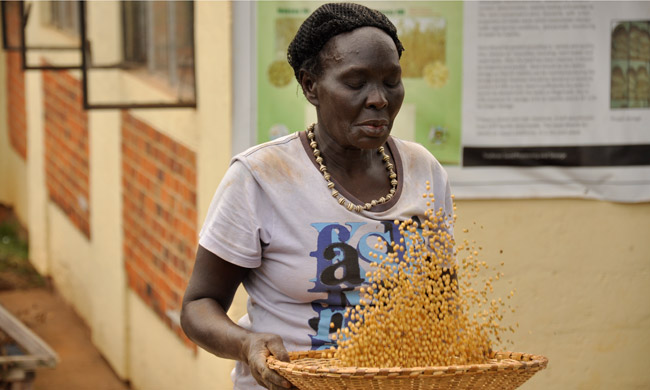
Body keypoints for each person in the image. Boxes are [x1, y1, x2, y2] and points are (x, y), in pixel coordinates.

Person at [180, 3, 453, 390]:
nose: (379, 99)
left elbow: (441, 300)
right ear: (311, 86)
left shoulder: (424, 171)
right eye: (356, 83)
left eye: (391, 81)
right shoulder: (261, 177)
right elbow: (197, 306)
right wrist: (246, 344)